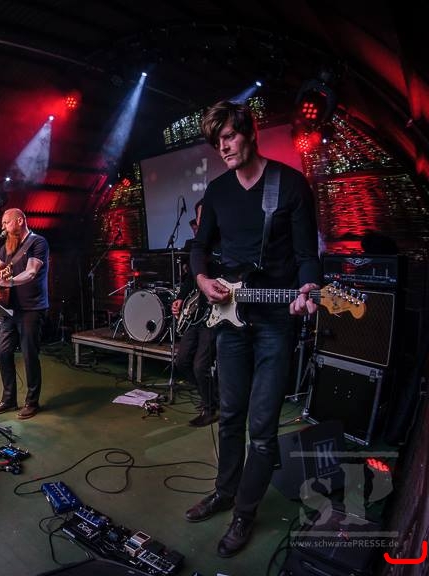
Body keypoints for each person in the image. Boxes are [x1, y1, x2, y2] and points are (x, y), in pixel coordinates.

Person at [184, 100, 320, 557]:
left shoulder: (290, 185)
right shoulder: (218, 191)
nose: (223, 147)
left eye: (229, 136)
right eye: (216, 141)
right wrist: (203, 280)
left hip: (275, 323)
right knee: (230, 416)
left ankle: (244, 512)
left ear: (249, 132)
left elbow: (307, 256)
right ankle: (225, 492)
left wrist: (307, 288)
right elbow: (199, 247)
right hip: (230, 319)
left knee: (261, 427)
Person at [0, 208, 50, 420]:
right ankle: (9, 399)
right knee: (3, 352)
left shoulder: (38, 242)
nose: (3, 226)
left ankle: (32, 402)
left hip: (32, 308)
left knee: (29, 354)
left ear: (19, 221)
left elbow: (31, 272)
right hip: (11, 308)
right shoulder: (8, 246)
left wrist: (8, 282)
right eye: (2, 223)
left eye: (6, 222)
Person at [170, 202, 218, 428]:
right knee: (182, 361)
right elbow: (190, 279)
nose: (201, 221)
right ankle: (211, 397)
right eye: (199, 217)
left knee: (201, 365)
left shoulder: (224, 245)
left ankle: (210, 408)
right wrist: (180, 298)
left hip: (215, 314)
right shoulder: (196, 246)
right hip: (195, 314)